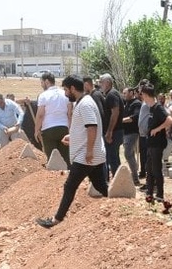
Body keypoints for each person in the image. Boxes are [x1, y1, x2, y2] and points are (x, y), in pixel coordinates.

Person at [36, 76, 107, 228]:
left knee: (70, 186)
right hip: (93, 154)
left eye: (66, 89)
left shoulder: (85, 104)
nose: (65, 93)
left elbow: (92, 128)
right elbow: (86, 128)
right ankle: (122, 207)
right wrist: (72, 136)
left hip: (86, 156)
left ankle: (57, 220)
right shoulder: (83, 102)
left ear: (73, 89)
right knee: (101, 186)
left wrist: (88, 151)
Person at [142, 84, 172, 201]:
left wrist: (157, 129)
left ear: (146, 95)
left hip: (157, 144)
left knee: (156, 169)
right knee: (148, 169)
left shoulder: (158, 108)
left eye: (143, 95)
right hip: (151, 143)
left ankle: (160, 194)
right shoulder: (151, 108)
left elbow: (170, 120)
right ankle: (149, 192)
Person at [34, 73, 71, 164]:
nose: (41, 85)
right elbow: (70, 113)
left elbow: (40, 115)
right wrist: (70, 129)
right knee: (65, 158)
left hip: (49, 130)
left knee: (51, 159)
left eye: (42, 82)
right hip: (64, 128)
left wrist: (36, 130)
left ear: (47, 82)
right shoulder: (65, 94)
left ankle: (52, 177)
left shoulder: (43, 95)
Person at [98, 74, 122, 177]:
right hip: (116, 131)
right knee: (114, 157)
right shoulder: (112, 93)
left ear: (107, 82)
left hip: (114, 132)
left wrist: (109, 131)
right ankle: (119, 179)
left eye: (101, 82)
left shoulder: (111, 95)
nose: (100, 84)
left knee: (112, 158)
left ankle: (118, 182)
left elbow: (115, 112)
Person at [120, 86, 142, 185]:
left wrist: (121, 121)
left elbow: (135, 116)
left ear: (131, 93)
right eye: (123, 93)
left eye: (125, 93)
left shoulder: (136, 103)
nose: (124, 95)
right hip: (125, 132)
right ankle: (134, 176)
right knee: (129, 154)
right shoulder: (126, 103)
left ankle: (135, 177)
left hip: (132, 132)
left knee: (128, 153)